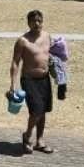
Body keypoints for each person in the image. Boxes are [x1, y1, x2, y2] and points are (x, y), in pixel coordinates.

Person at [9, 10, 55, 154]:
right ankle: (27, 135)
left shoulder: (47, 36)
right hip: (29, 80)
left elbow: (52, 55)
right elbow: (15, 63)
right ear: (28, 23)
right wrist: (12, 83)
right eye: (33, 21)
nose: (37, 23)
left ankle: (40, 141)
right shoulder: (23, 41)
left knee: (44, 110)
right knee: (36, 110)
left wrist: (57, 71)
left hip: (45, 78)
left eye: (39, 21)